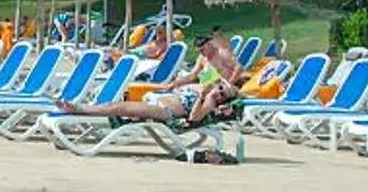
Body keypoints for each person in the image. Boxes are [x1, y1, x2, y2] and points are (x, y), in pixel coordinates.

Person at [58, 32, 249, 126]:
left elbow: (194, 118)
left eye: (204, 48)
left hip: (164, 108)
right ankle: (83, 109)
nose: (202, 52)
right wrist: (172, 84)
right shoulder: (203, 64)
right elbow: (192, 76)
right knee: (117, 104)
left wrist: (226, 85)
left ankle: (80, 109)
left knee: (118, 107)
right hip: (163, 97)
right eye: (200, 50)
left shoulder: (213, 90)